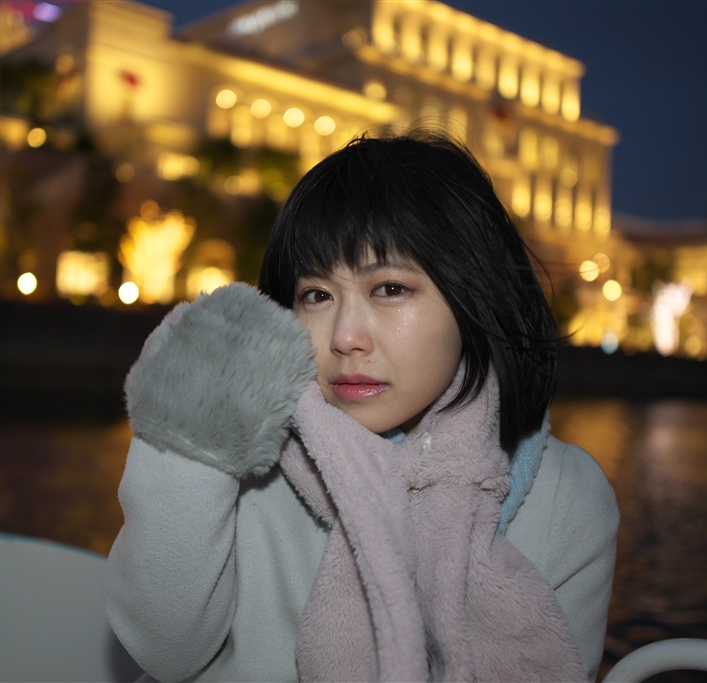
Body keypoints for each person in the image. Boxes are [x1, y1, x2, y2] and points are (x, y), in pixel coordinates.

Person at [105, 132, 618, 682]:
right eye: (317, 295)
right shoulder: (242, 454)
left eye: (390, 288)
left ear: (475, 297)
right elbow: (164, 651)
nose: (345, 337)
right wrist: (191, 434)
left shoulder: (565, 497)